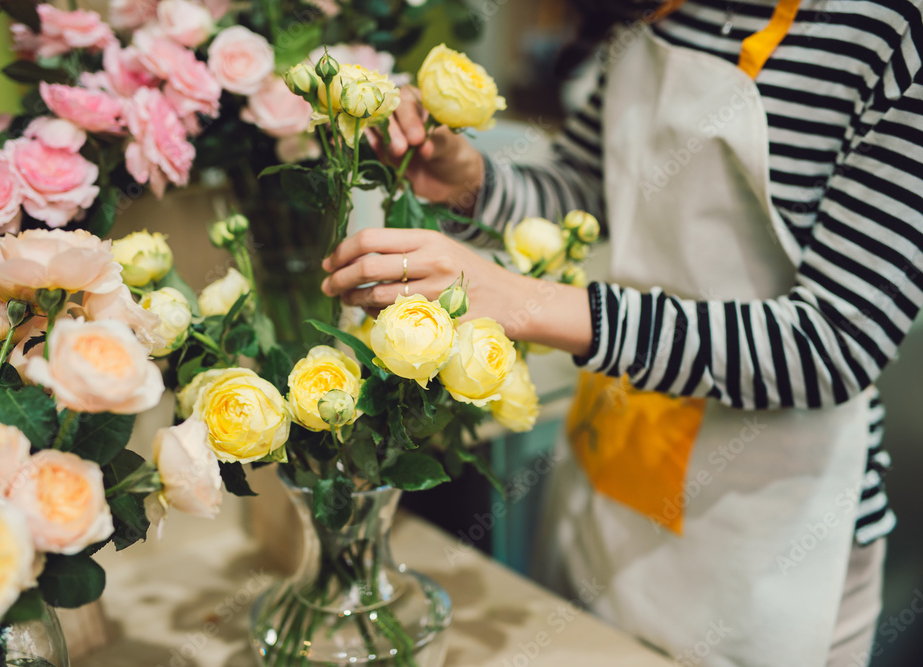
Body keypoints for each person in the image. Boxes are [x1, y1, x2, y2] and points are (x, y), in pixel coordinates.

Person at [320, 0, 923, 664]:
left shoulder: (884, 36)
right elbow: (589, 186)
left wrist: (525, 303)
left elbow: (833, 344)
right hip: (619, 467)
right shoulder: (654, 9)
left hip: (776, 517)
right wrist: (472, 185)